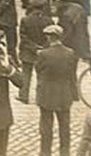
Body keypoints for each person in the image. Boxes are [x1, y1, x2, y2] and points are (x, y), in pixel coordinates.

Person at [35, 24, 78, 156]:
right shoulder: (70, 53)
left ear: (49, 37)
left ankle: (45, 153)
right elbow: (73, 75)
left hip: (46, 95)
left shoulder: (43, 54)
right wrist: (74, 94)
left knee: (46, 128)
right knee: (65, 128)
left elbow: (38, 70)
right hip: (64, 95)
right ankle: (65, 153)